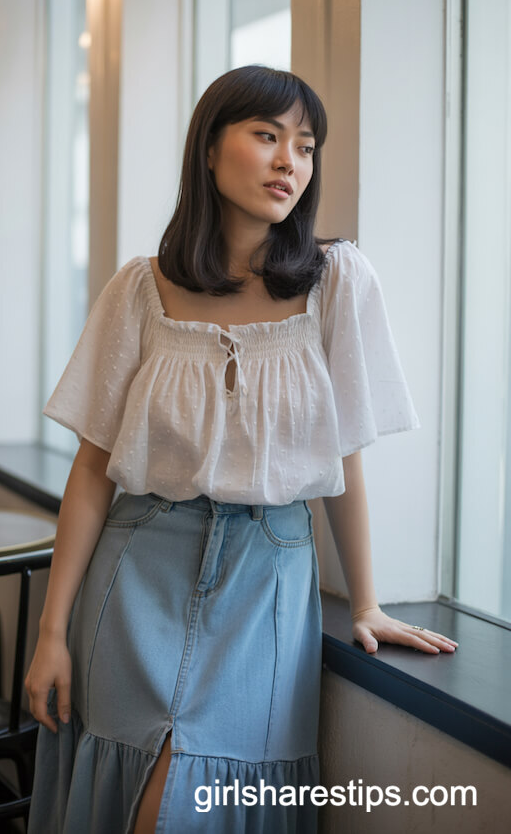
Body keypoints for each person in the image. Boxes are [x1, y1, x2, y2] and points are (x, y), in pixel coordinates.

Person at [25, 65, 458, 834]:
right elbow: (92, 472)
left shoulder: (337, 283)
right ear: (208, 150)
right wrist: (51, 635)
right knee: (135, 798)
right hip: (137, 574)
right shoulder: (140, 291)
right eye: (267, 136)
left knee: (210, 800)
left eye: (306, 145)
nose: (290, 160)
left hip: (268, 580)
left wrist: (366, 601)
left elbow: (343, 459)